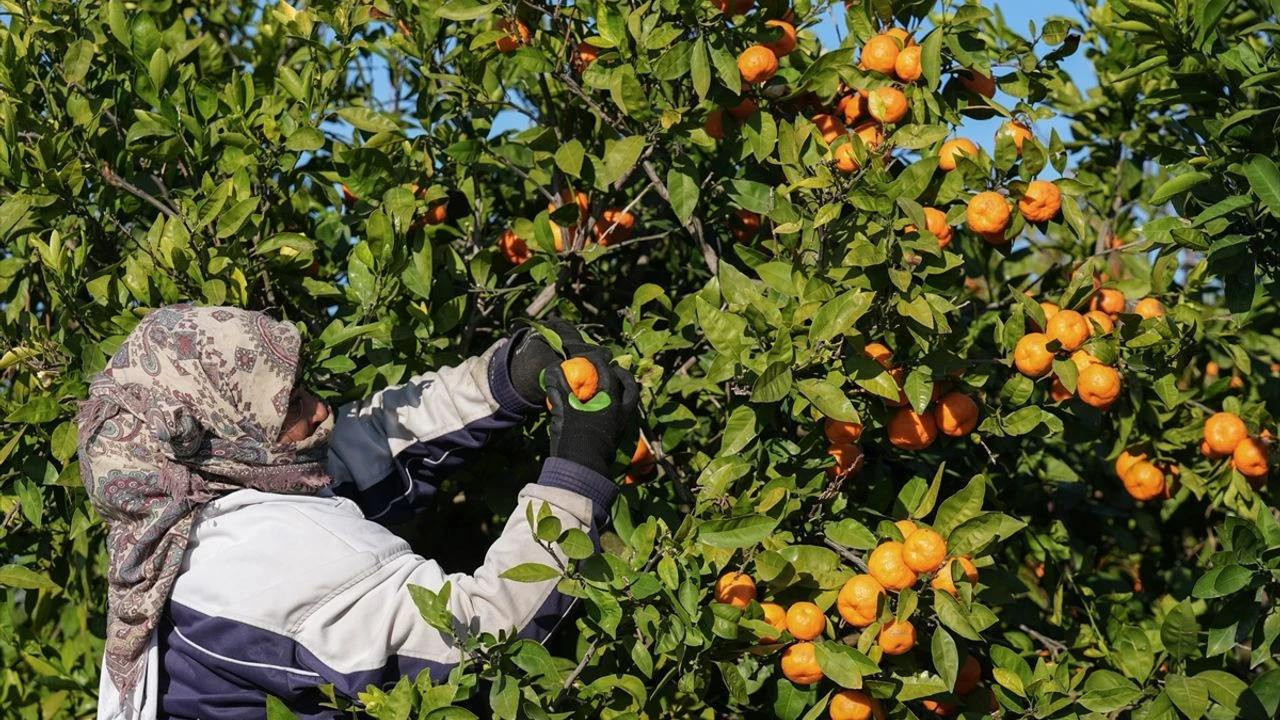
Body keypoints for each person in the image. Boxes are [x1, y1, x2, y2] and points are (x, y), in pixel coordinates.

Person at [77, 304, 638, 720]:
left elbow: (358, 450)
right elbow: (479, 638)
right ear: (227, 433)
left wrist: (503, 378)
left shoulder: (184, 503)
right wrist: (578, 469)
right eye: (292, 403)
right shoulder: (265, 563)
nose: (322, 408)